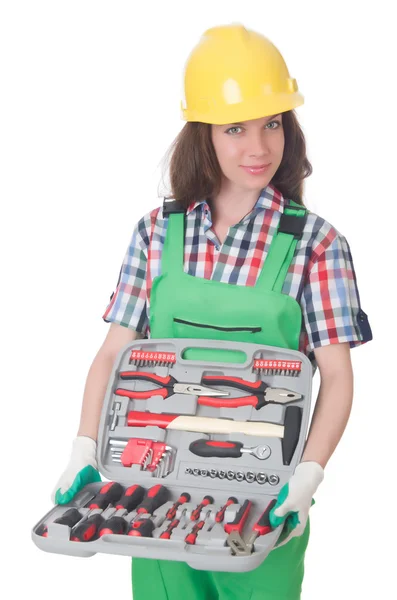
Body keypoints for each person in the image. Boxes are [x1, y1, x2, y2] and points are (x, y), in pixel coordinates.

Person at [51, 24, 373, 600]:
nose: (259, 147)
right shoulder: (155, 234)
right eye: (235, 128)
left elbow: (339, 378)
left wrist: (306, 479)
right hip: (153, 497)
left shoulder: (316, 244)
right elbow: (112, 356)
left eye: (272, 122)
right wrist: (84, 447)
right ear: (203, 134)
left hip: (263, 502)